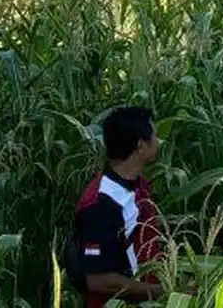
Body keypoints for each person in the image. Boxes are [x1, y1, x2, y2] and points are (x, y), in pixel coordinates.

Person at [68, 106, 165, 307]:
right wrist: (162, 292)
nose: (158, 141)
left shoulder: (138, 184)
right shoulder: (101, 205)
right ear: (141, 146)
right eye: (154, 136)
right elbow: (99, 280)